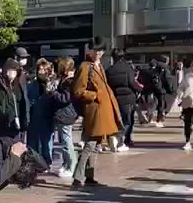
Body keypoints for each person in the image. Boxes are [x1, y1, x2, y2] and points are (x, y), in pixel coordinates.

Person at [71, 38, 122, 189]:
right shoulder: (85, 66)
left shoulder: (98, 66)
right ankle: (78, 177)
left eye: (100, 50)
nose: (98, 53)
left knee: (96, 144)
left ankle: (89, 177)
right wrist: (95, 95)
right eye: (95, 50)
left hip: (102, 111)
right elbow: (77, 91)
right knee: (90, 144)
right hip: (94, 111)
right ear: (90, 50)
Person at [0, 58, 29, 139]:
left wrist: (25, 120)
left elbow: (24, 102)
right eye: (11, 70)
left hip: (15, 123)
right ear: (5, 71)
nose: (13, 73)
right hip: (1, 124)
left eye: (15, 70)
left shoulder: (20, 85)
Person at [106, 49, 137, 151]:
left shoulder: (109, 70)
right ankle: (119, 141)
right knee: (127, 121)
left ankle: (114, 138)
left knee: (116, 121)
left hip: (114, 99)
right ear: (123, 57)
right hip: (127, 99)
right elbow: (132, 83)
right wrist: (139, 90)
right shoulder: (127, 68)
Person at [51, 57, 77, 178]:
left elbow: (65, 99)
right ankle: (66, 163)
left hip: (66, 114)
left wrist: (53, 92)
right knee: (63, 140)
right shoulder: (66, 79)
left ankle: (71, 165)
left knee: (66, 141)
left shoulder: (70, 81)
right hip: (65, 114)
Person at [139, 58, 173, 127]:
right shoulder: (163, 68)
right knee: (160, 104)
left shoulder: (147, 70)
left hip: (150, 89)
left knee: (154, 103)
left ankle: (149, 116)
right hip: (160, 88)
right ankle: (158, 120)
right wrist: (169, 89)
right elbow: (167, 79)